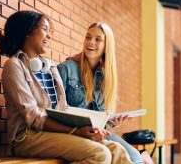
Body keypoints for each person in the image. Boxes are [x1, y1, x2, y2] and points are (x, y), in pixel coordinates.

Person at [0, 10, 132, 164]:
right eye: (45, 29)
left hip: (53, 133)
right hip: (26, 137)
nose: (49, 35)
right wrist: (76, 131)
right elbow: (33, 116)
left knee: (118, 151)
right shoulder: (14, 66)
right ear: (27, 32)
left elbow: (63, 108)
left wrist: (89, 129)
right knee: (99, 154)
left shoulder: (50, 66)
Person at [57, 22, 144, 164]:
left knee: (136, 157)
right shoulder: (66, 69)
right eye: (88, 37)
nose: (91, 42)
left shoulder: (105, 77)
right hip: (74, 132)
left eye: (98, 39)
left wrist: (112, 121)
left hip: (97, 133)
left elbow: (100, 117)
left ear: (106, 46)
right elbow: (54, 110)